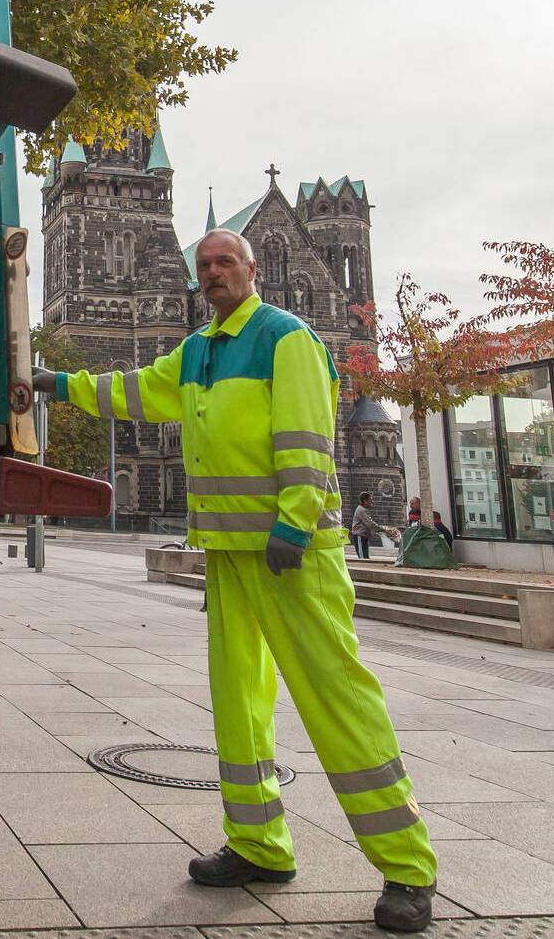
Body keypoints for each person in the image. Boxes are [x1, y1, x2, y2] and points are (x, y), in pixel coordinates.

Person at [35, 229, 438, 933]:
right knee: (239, 705)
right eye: (205, 265)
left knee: (337, 700)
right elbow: (136, 390)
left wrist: (294, 522)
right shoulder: (198, 351)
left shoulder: (286, 338)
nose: (214, 272)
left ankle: (407, 867)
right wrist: (61, 384)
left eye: (226, 262)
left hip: (291, 554)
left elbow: (308, 437)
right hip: (227, 553)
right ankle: (259, 844)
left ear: (252, 270)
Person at [348, 492, 384, 560]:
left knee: (366, 557)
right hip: (359, 536)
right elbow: (370, 524)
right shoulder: (361, 510)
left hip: (364, 536)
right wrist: (384, 529)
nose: (372, 501)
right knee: (363, 559)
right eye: (370, 499)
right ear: (365, 501)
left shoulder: (364, 510)